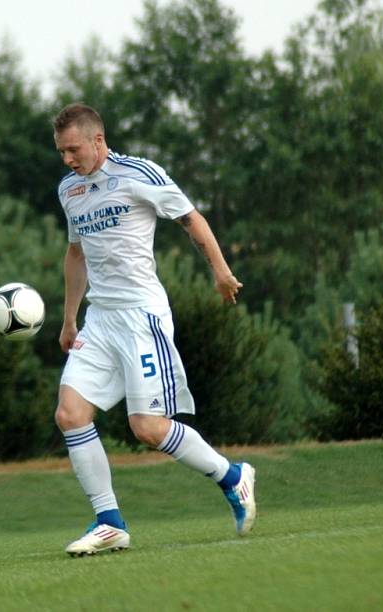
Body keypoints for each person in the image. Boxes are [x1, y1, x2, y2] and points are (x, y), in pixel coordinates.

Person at [52, 103, 256, 556]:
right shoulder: (69, 189)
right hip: (100, 321)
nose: (67, 159)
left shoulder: (138, 173)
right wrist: (69, 318)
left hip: (142, 317)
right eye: (61, 152)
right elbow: (76, 254)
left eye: (73, 149)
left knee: (147, 427)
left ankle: (232, 476)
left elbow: (191, 219)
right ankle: (110, 522)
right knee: (70, 414)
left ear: (98, 140)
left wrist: (220, 272)